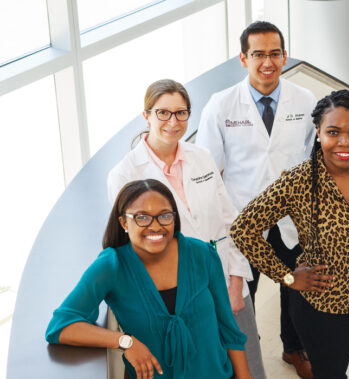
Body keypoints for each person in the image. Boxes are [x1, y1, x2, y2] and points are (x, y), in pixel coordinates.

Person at [230, 89, 349, 378]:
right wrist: (287, 277)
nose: (345, 143)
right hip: (324, 310)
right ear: (318, 132)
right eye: (334, 132)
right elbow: (243, 228)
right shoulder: (298, 182)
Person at [106, 79, 265, 378]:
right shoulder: (125, 174)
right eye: (163, 113)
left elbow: (232, 223)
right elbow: (132, 248)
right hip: (179, 295)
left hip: (228, 282)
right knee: (198, 366)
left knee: (248, 366)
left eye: (181, 113)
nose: (173, 122)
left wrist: (234, 283)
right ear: (147, 115)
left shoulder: (201, 157)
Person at [195, 21, 317, 378]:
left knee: (297, 285)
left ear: (284, 55)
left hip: (292, 218)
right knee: (240, 297)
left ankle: (294, 348)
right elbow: (205, 170)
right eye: (258, 54)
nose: (268, 62)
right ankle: (242, 358)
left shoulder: (304, 100)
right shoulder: (221, 106)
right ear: (243, 58)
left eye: (275, 53)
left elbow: (313, 159)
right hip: (243, 219)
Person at [46, 179, 250, 379]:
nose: (155, 226)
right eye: (142, 217)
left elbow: (229, 331)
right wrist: (125, 342)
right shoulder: (111, 266)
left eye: (164, 216)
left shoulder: (202, 254)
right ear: (123, 222)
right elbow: (61, 326)